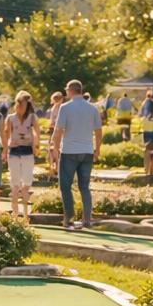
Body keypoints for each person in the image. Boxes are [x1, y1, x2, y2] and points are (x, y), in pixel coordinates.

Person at [49, 79, 104, 229]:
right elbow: (99, 132)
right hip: (87, 151)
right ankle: (86, 219)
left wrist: (55, 149)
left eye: (67, 90)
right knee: (84, 187)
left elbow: (58, 131)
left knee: (65, 186)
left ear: (71, 90)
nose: (66, 92)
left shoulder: (65, 107)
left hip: (69, 151)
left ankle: (69, 218)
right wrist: (97, 149)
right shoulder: (92, 108)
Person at [5, 91, 39, 222]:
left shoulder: (32, 117)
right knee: (15, 185)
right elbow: (6, 135)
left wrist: (35, 145)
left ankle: (25, 215)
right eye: (19, 104)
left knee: (26, 184)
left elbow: (37, 132)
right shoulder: (10, 118)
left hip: (27, 152)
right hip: (14, 151)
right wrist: (5, 149)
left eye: (23, 105)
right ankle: (14, 214)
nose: (20, 107)